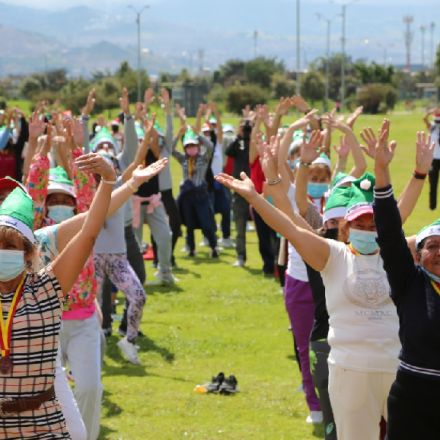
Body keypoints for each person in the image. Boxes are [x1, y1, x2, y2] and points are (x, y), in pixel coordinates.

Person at [214, 125, 429, 440]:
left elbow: (405, 215)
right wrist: (256, 199)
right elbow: (290, 227)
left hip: (398, 370)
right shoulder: (332, 255)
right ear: (345, 228)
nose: (368, 230)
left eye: (374, 224)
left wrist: (419, 174)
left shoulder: (396, 255)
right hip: (350, 371)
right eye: (360, 224)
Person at [0, 148, 114, 439]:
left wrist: (110, 180)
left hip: (45, 426)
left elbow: (88, 232)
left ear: (29, 253)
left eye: (11, 246)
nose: (3, 253)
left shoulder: (47, 287)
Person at [373, 127, 440, 439]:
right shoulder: (409, 282)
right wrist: (382, 171)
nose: (439, 253)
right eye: (432, 246)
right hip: (411, 399)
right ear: (419, 253)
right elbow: (388, 234)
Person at [172, 125, 217, 258]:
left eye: (193, 146)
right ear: (185, 148)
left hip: (200, 195)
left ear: (197, 146)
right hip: (187, 195)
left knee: (206, 223)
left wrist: (199, 135)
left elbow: (211, 147)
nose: (191, 149)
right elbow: (171, 150)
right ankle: (191, 249)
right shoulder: (184, 159)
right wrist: (178, 136)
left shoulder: (204, 158)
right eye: (188, 146)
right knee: (189, 224)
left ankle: (213, 247)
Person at [423, 108, 440, 209]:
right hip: (433, 159)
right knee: (433, 183)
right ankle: (432, 206)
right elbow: (424, 119)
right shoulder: (432, 127)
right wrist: (430, 112)